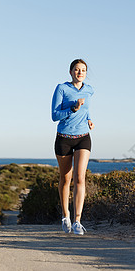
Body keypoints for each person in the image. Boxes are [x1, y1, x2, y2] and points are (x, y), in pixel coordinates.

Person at [51, 59, 94, 235]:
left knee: (80, 178)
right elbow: (54, 115)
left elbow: (87, 109)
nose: (80, 72)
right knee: (65, 178)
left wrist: (89, 119)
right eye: (77, 69)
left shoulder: (89, 90)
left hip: (83, 137)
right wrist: (73, 109)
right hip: (64, 138)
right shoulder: (62, 88)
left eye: (83, 70)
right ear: (70, 72)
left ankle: (77, 220)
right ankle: (65, 215)